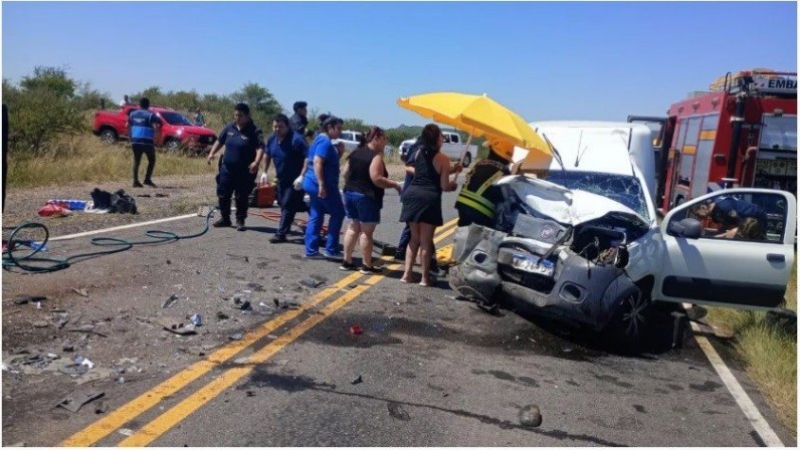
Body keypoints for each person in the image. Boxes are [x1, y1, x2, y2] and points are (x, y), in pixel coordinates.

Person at [399, 124, 461, 286]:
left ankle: (407, 275)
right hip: (428, 198)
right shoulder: (442, 158)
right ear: (436, 139)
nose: (443, 138)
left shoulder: (419, 152)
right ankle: (425, 278)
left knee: (414, 239)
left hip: (412, 195)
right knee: (426, 241)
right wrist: (453, 185)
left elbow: (427, 172)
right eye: (441, 136)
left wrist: (454, 169)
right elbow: (444, 186)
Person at [340, 127, 401, 273]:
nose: (386, 142)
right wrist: (394, 184)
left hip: (349, 193)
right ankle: (367, 265)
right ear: (376, 139)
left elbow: (345, 173)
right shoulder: (375, 157)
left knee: (353, 227)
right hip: (366, 196)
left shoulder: (355, 152)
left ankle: (347, 261)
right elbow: (376, 178)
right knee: (366, 232)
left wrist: (355, 183)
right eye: (384, 138)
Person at [206, 103, 265, 231]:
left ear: (248, 116)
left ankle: (240, 219)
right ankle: (225, 219)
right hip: (227, 168)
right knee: (223, 194)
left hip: (244, 171)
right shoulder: (229, 127)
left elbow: (260, 148)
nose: (237, 118)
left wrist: (256, 162)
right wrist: (211, 153)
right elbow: (220, 141)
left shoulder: (254, 131)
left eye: (240, 115)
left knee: (241, 196)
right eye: (236, 115)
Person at [393, 136, 443, 277]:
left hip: (412, 194)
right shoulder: (422, 150)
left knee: (413, 231)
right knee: (423, 237)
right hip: (419, 196)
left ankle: (403, 258)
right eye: (440, 139)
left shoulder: (419, 149)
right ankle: (429, 269)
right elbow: (411, 168)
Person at [302, 115, 345, 259]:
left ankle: (311, 250)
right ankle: (331, 249)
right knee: (338, 213)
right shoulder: (325, 142)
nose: (340, 132)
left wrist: (339, 153)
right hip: (321, 184)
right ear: (329, 127)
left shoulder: (320, 140)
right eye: (338, 128)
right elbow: (318, 162)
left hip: (312, 183)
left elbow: (325, 162)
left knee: (316, 213)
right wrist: (322, 184)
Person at [264, 113, 309, 243]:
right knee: (283, 203)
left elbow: (308, 158)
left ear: (287, 127)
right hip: (281, 179)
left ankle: (281, 233)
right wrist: (264, 172)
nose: (277, 129)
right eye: (275, 127)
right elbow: (267, 155)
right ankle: (310, 208)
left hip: (296, 180)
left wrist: (302, 176)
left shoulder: (297, 139)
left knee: (288, 204)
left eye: (280, 127)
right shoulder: (272, 139)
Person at [455, 139, 512, 227]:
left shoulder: (480, 163)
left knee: (463, 231)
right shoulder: (505, 173)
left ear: (491, 150)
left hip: (462, 204)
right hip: (482, 211)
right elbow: (504, 199)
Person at [689, 196, 768, 240]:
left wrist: (719, 236)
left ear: (703, 207)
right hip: (746, 219)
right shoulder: (715, 211)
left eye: (697, 214)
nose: (698, 217)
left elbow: (741, 226)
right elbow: (727, 223)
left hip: (756, 217)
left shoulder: (723, 207)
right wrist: (716, 235)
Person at [127, 97, 162, 188]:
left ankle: (135, 181)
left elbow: (127, 125)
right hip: (147, 141)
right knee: (152, 160)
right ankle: (147, 179)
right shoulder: (150, 115)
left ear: (140, 104)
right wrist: (156, 138)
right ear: (148, 105)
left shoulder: (132, 114)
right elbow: (156, 127)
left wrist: (130, 137)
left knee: (136, 161)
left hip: (135, 141)